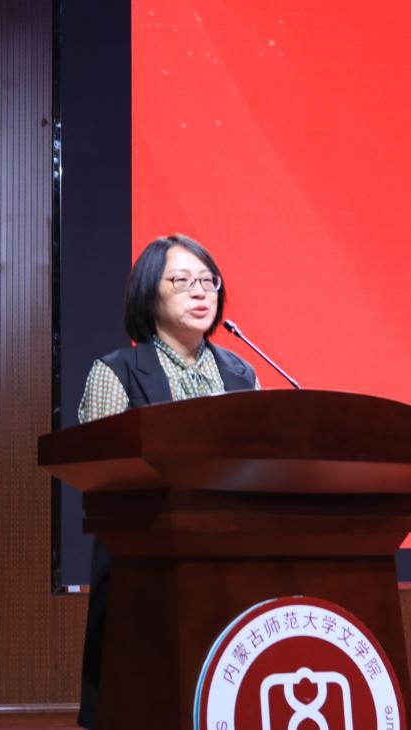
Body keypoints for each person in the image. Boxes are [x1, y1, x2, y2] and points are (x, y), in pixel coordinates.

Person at [76, 233, 259, 728]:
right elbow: (101, 476)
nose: (199, 292)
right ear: (148, 295)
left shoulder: (242, 375)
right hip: (144, 567)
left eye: (207, 281)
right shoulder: (117, 372)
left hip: (230, 562)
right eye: (181, 281)